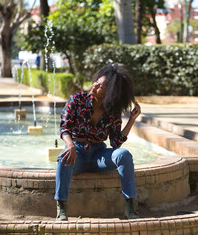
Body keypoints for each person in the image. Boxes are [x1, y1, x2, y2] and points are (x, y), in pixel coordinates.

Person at [54, 63, 141, 221]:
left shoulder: (112, 111)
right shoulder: (77, 100)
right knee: (63, 158)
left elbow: (115, 142)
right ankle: (61, 207)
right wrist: (70, 145)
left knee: (124, 155)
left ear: (109, 93)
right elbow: (64, 127)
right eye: (96, 82)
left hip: (98, 155)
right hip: (77, 152)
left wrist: (132, 120)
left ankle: (130, 206)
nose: (94, 86)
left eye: (100, 86)